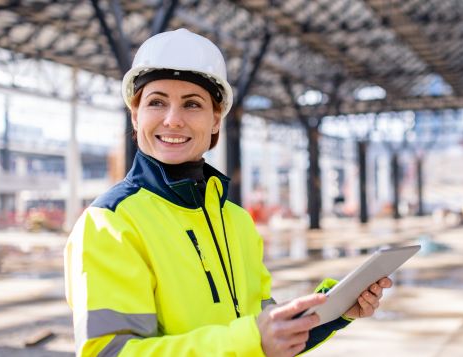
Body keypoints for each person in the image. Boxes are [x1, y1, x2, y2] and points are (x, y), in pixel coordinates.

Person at [64, 28, 393, 356]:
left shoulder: (236, 221)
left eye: (192, 104)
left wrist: (331, 312)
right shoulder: (110, 223)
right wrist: (251, 340)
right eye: (156, 102)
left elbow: (264, 333)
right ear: (136, 117)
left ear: (216, 120)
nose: (173, 120)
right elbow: (108, 352)